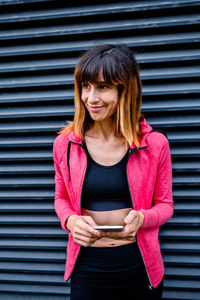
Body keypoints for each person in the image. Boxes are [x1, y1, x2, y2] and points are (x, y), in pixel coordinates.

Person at [53, 44, 174, 300]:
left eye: (103, 87)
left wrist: (143, 218)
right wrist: (71, 221)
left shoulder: (154, 143)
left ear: (125, 89)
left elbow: (165, 205)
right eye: (86, 86)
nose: (91, 98)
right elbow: (61, 198)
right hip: (87, 268)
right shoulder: (66, 144)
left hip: (138, 267)